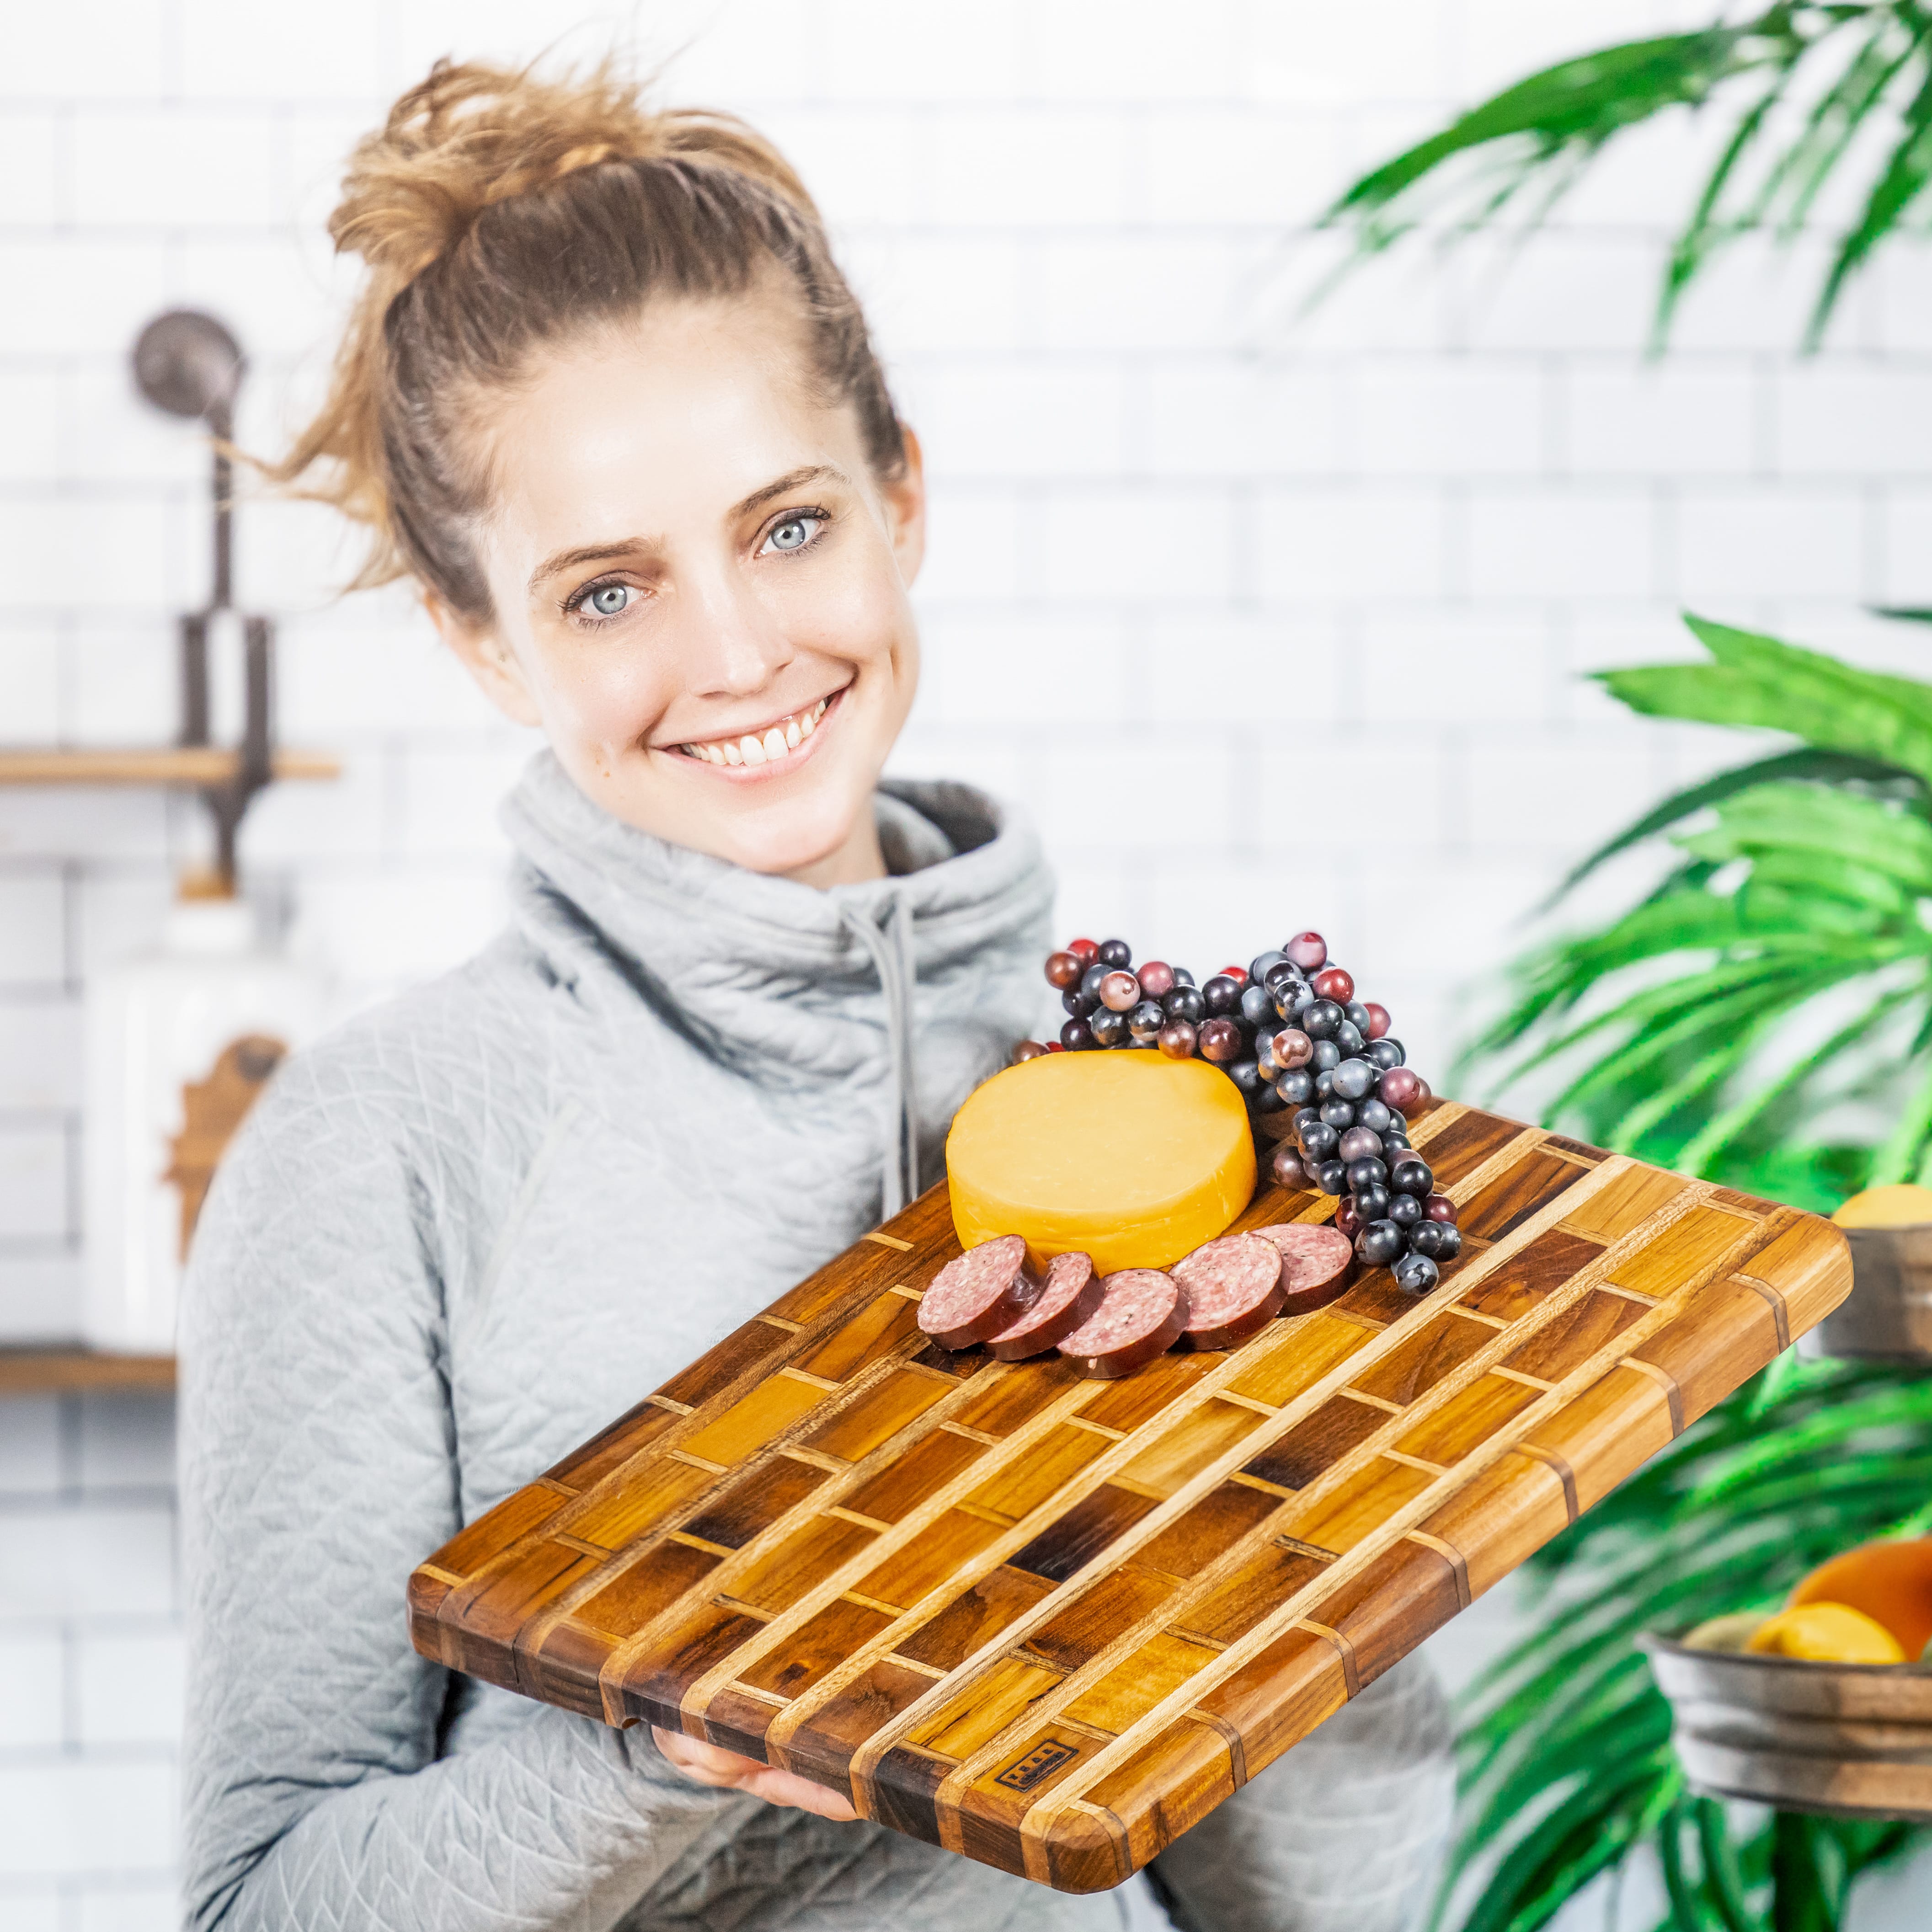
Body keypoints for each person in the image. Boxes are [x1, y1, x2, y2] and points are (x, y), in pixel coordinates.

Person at [179, 59, 1454, 1932]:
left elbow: (1316, 1910)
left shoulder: (1163, 1098)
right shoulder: (383, 1147)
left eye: (787, 530)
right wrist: (654, 1732)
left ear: (899, 499)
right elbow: (257, 1903)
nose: (736, 652)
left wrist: (1337, 1541)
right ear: (479, 640)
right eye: (606, 592)